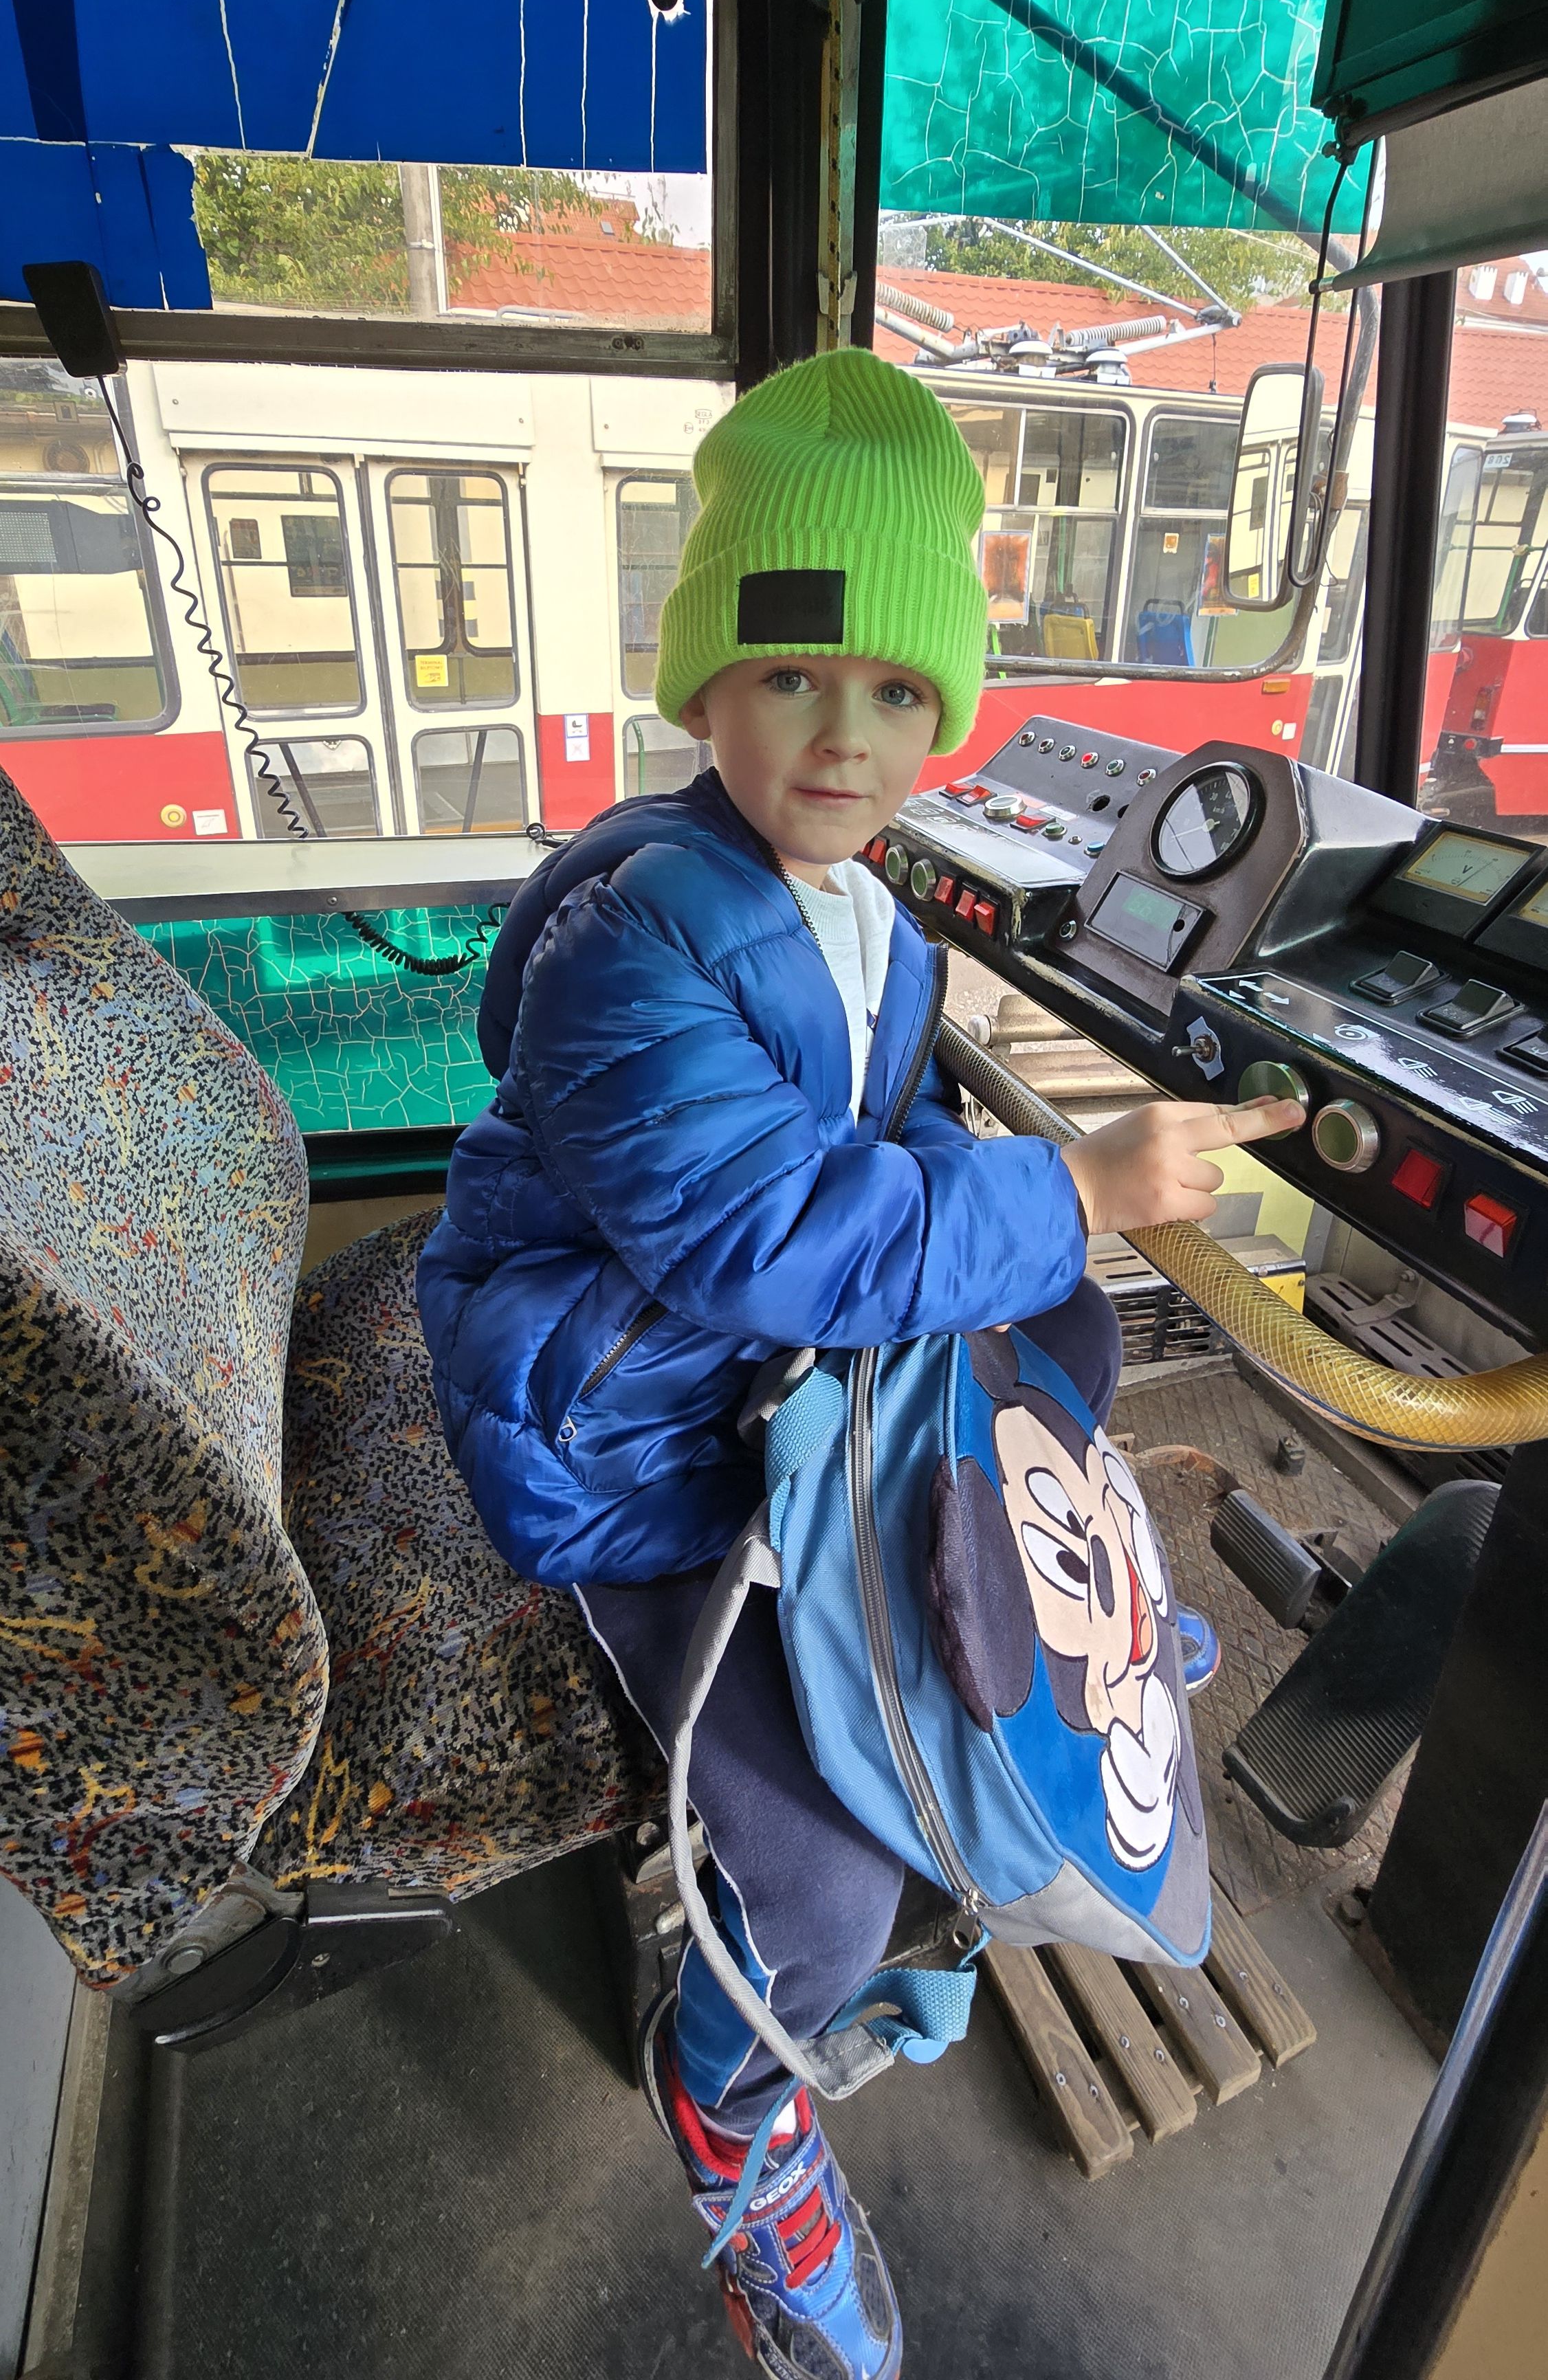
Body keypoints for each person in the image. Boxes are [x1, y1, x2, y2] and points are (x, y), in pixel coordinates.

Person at [417, 348, 1302, 2380]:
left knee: (1067, 1335)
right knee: (821, 1874)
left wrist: (1030, 1210)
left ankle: (1045, 1647)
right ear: (704, 688)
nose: (844, 733)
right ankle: (737, 2107)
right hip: (626, 1436)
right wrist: (1077, 1178)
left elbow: (882, 1137)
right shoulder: (635, 938)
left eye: (899, 691)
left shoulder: (865, 913)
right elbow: (763, 1242)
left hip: (746, 1386)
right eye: (793, 672)